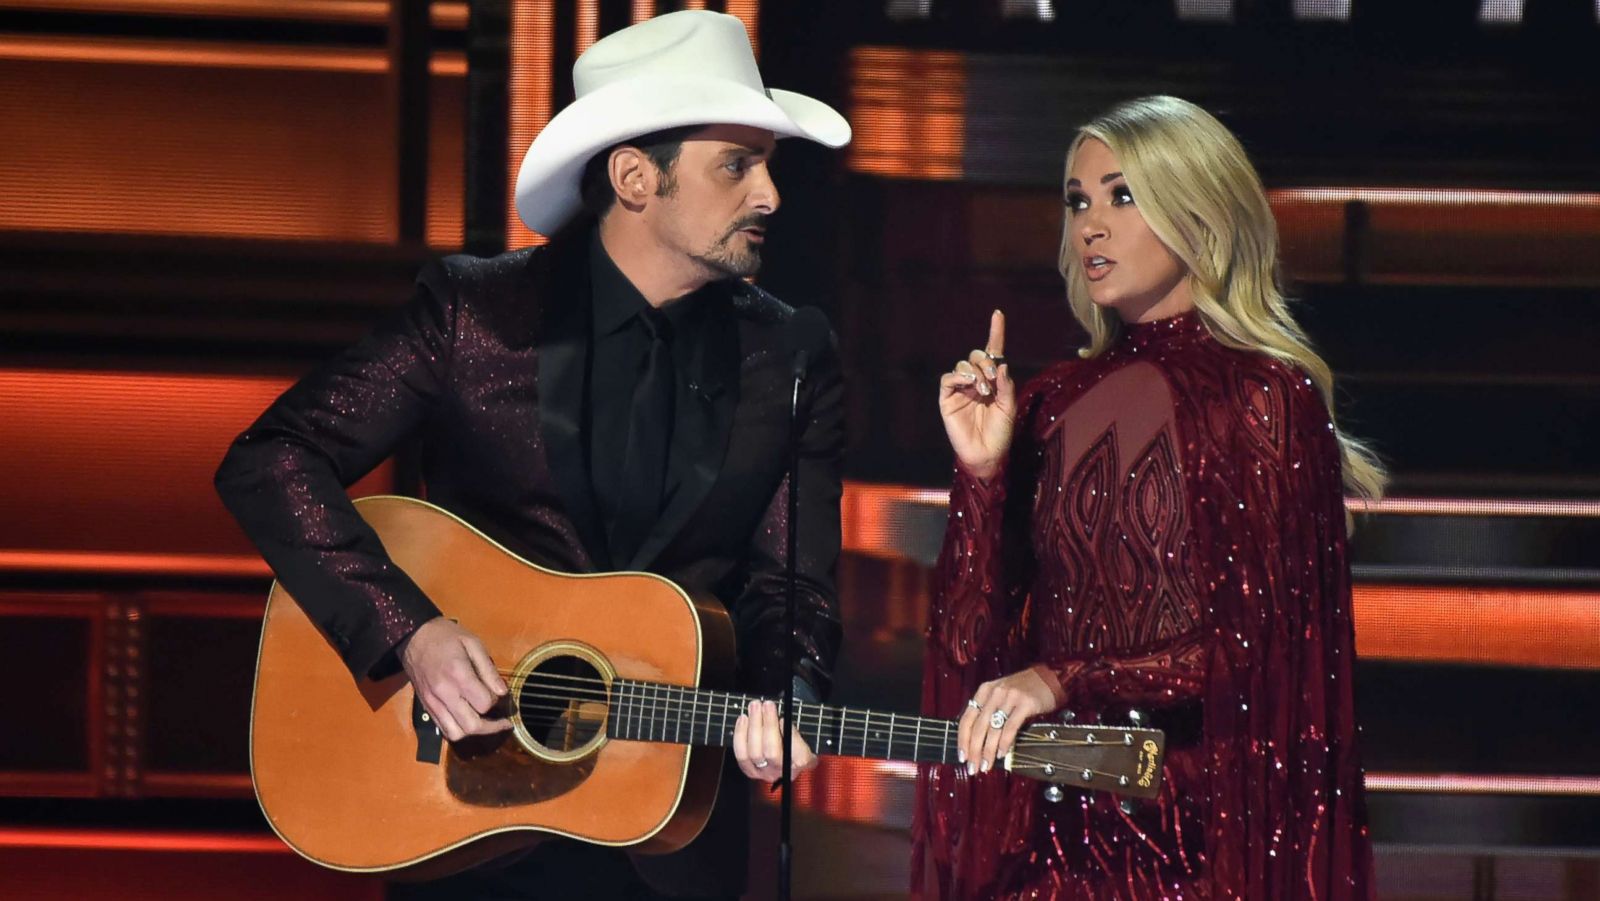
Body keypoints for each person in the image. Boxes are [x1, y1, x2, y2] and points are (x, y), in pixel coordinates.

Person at [214, 11, 851, 900]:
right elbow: (271, 460)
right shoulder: (475, 315)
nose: (771, 195)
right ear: (636, 177)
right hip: (464, 813)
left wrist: (791, 699)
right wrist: (411, 631)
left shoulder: (789, 354)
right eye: (737, 165)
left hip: (668, 831)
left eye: (768, 165)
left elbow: (794, 591)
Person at [913, 95, 1386, 899]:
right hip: (1052, 835)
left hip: (1198, 843)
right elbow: (970, 646)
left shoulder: (1267, 396)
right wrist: (982, 477)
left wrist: (1066, 678)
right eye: (1077, 201)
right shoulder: (1048, 401)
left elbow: (1256, 654)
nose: (1090, 224)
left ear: (1199, 209)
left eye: (1122, 195)